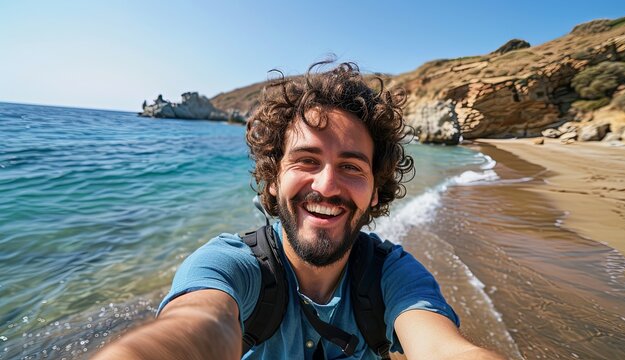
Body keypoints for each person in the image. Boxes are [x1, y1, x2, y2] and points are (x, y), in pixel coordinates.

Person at [94, 62, 503, 360]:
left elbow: (442, 346)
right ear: (273, 179)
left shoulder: (393, 275)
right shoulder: (227, 266)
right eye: (306, 160)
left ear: (376, 192)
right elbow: (200, 324)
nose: (326, 185)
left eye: (351, 166)